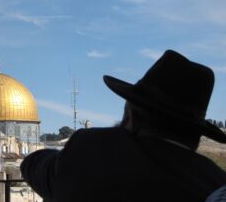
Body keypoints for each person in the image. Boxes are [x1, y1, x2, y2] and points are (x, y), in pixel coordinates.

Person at [20, 50, 226, 202]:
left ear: (131, 118)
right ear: (196, 137)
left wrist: (120, 135)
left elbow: (32, 164)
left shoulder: (90, 151)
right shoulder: (216, 184)